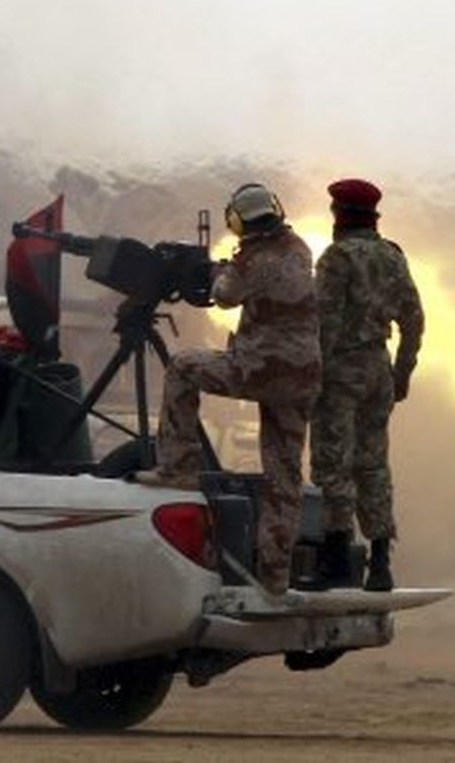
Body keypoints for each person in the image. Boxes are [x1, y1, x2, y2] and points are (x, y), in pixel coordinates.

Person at [136, 183, 321, 594]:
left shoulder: (253, 260)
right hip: (301, 378)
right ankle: (275, 578)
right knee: (284, 478)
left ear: (237, 221)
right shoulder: (299, 247)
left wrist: (220, 271)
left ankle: (178, 468)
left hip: (260, 371)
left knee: (183, 367)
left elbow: (224, 297)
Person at [308, 178, 424, 591]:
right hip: (379, 370)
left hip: (341, 373)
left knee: (332, 465)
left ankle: (337, 560)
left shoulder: (337, 259)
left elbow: (324, 323)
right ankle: (380, 563)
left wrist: (311, 376)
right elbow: (413, 320)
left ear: (338, 214)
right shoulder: (394, 257)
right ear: (373, 217)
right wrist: (402, 374)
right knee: (373, 465)